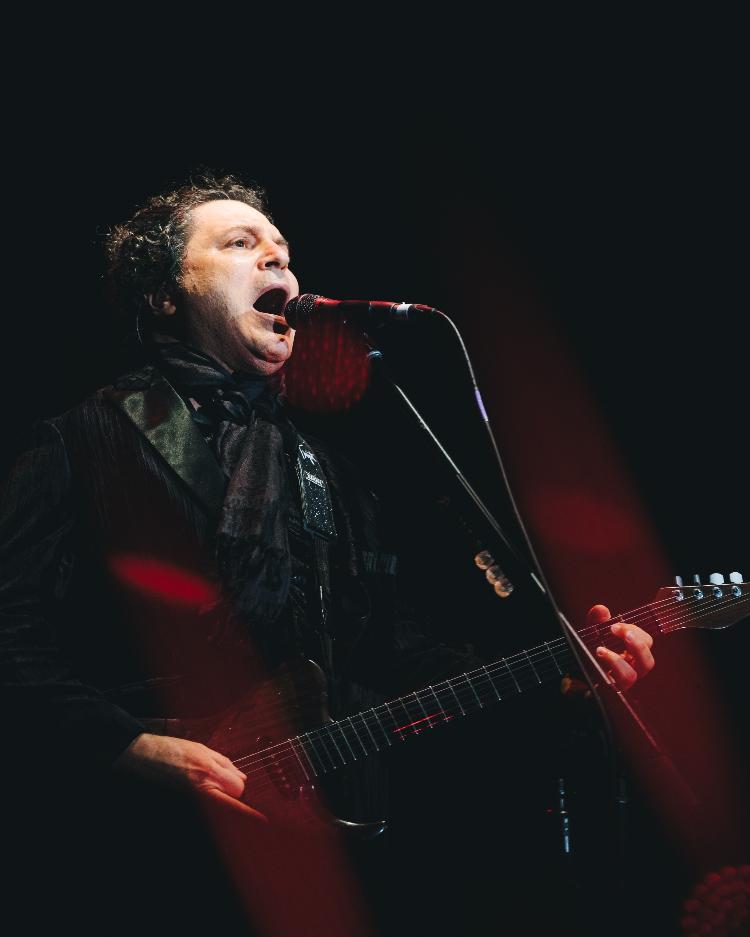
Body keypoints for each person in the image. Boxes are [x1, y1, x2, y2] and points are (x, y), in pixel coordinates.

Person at [0, 174, 655, 936]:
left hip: (308, 858)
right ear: (162, 295)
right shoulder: (81, 441)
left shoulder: (325, 474)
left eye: (284, 252)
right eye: (242, 245)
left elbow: (392, 656)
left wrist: (561, 675)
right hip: (121, 846)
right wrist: (127, 744)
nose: (279, 266)